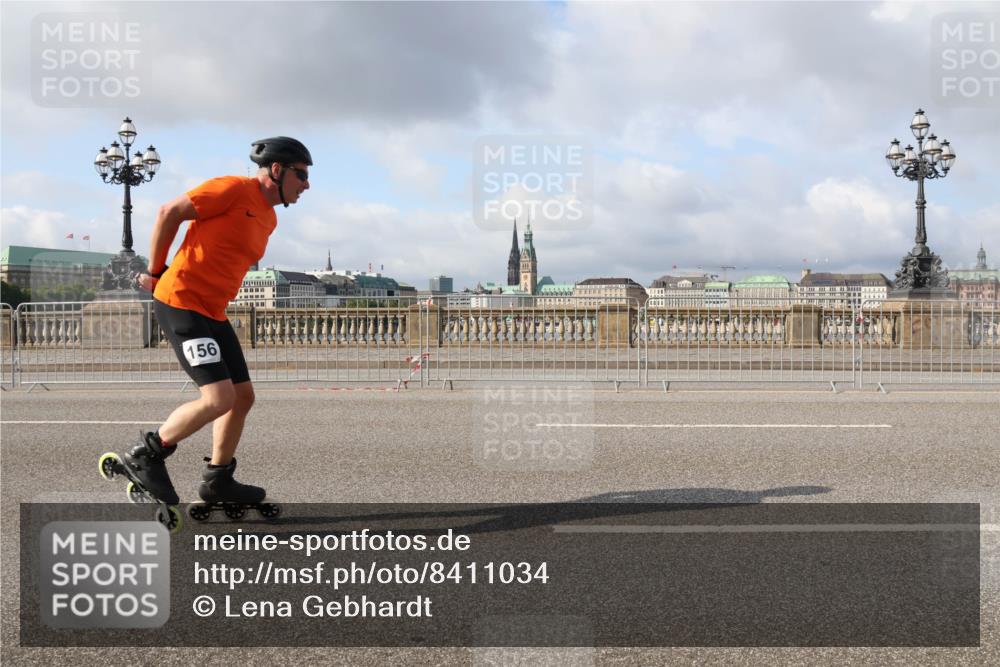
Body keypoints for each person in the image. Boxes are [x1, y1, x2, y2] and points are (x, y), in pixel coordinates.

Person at [125, 137, 312, 506]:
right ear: (277, 170)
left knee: (242, 397)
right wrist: (156, 271)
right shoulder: (231, 189)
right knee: (219, 397)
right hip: (180, 301)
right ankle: (147, 454)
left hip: (213, 311)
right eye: (301, 175)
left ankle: (218, 479)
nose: (306, 184)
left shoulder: (269, 217)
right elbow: (169, 213)